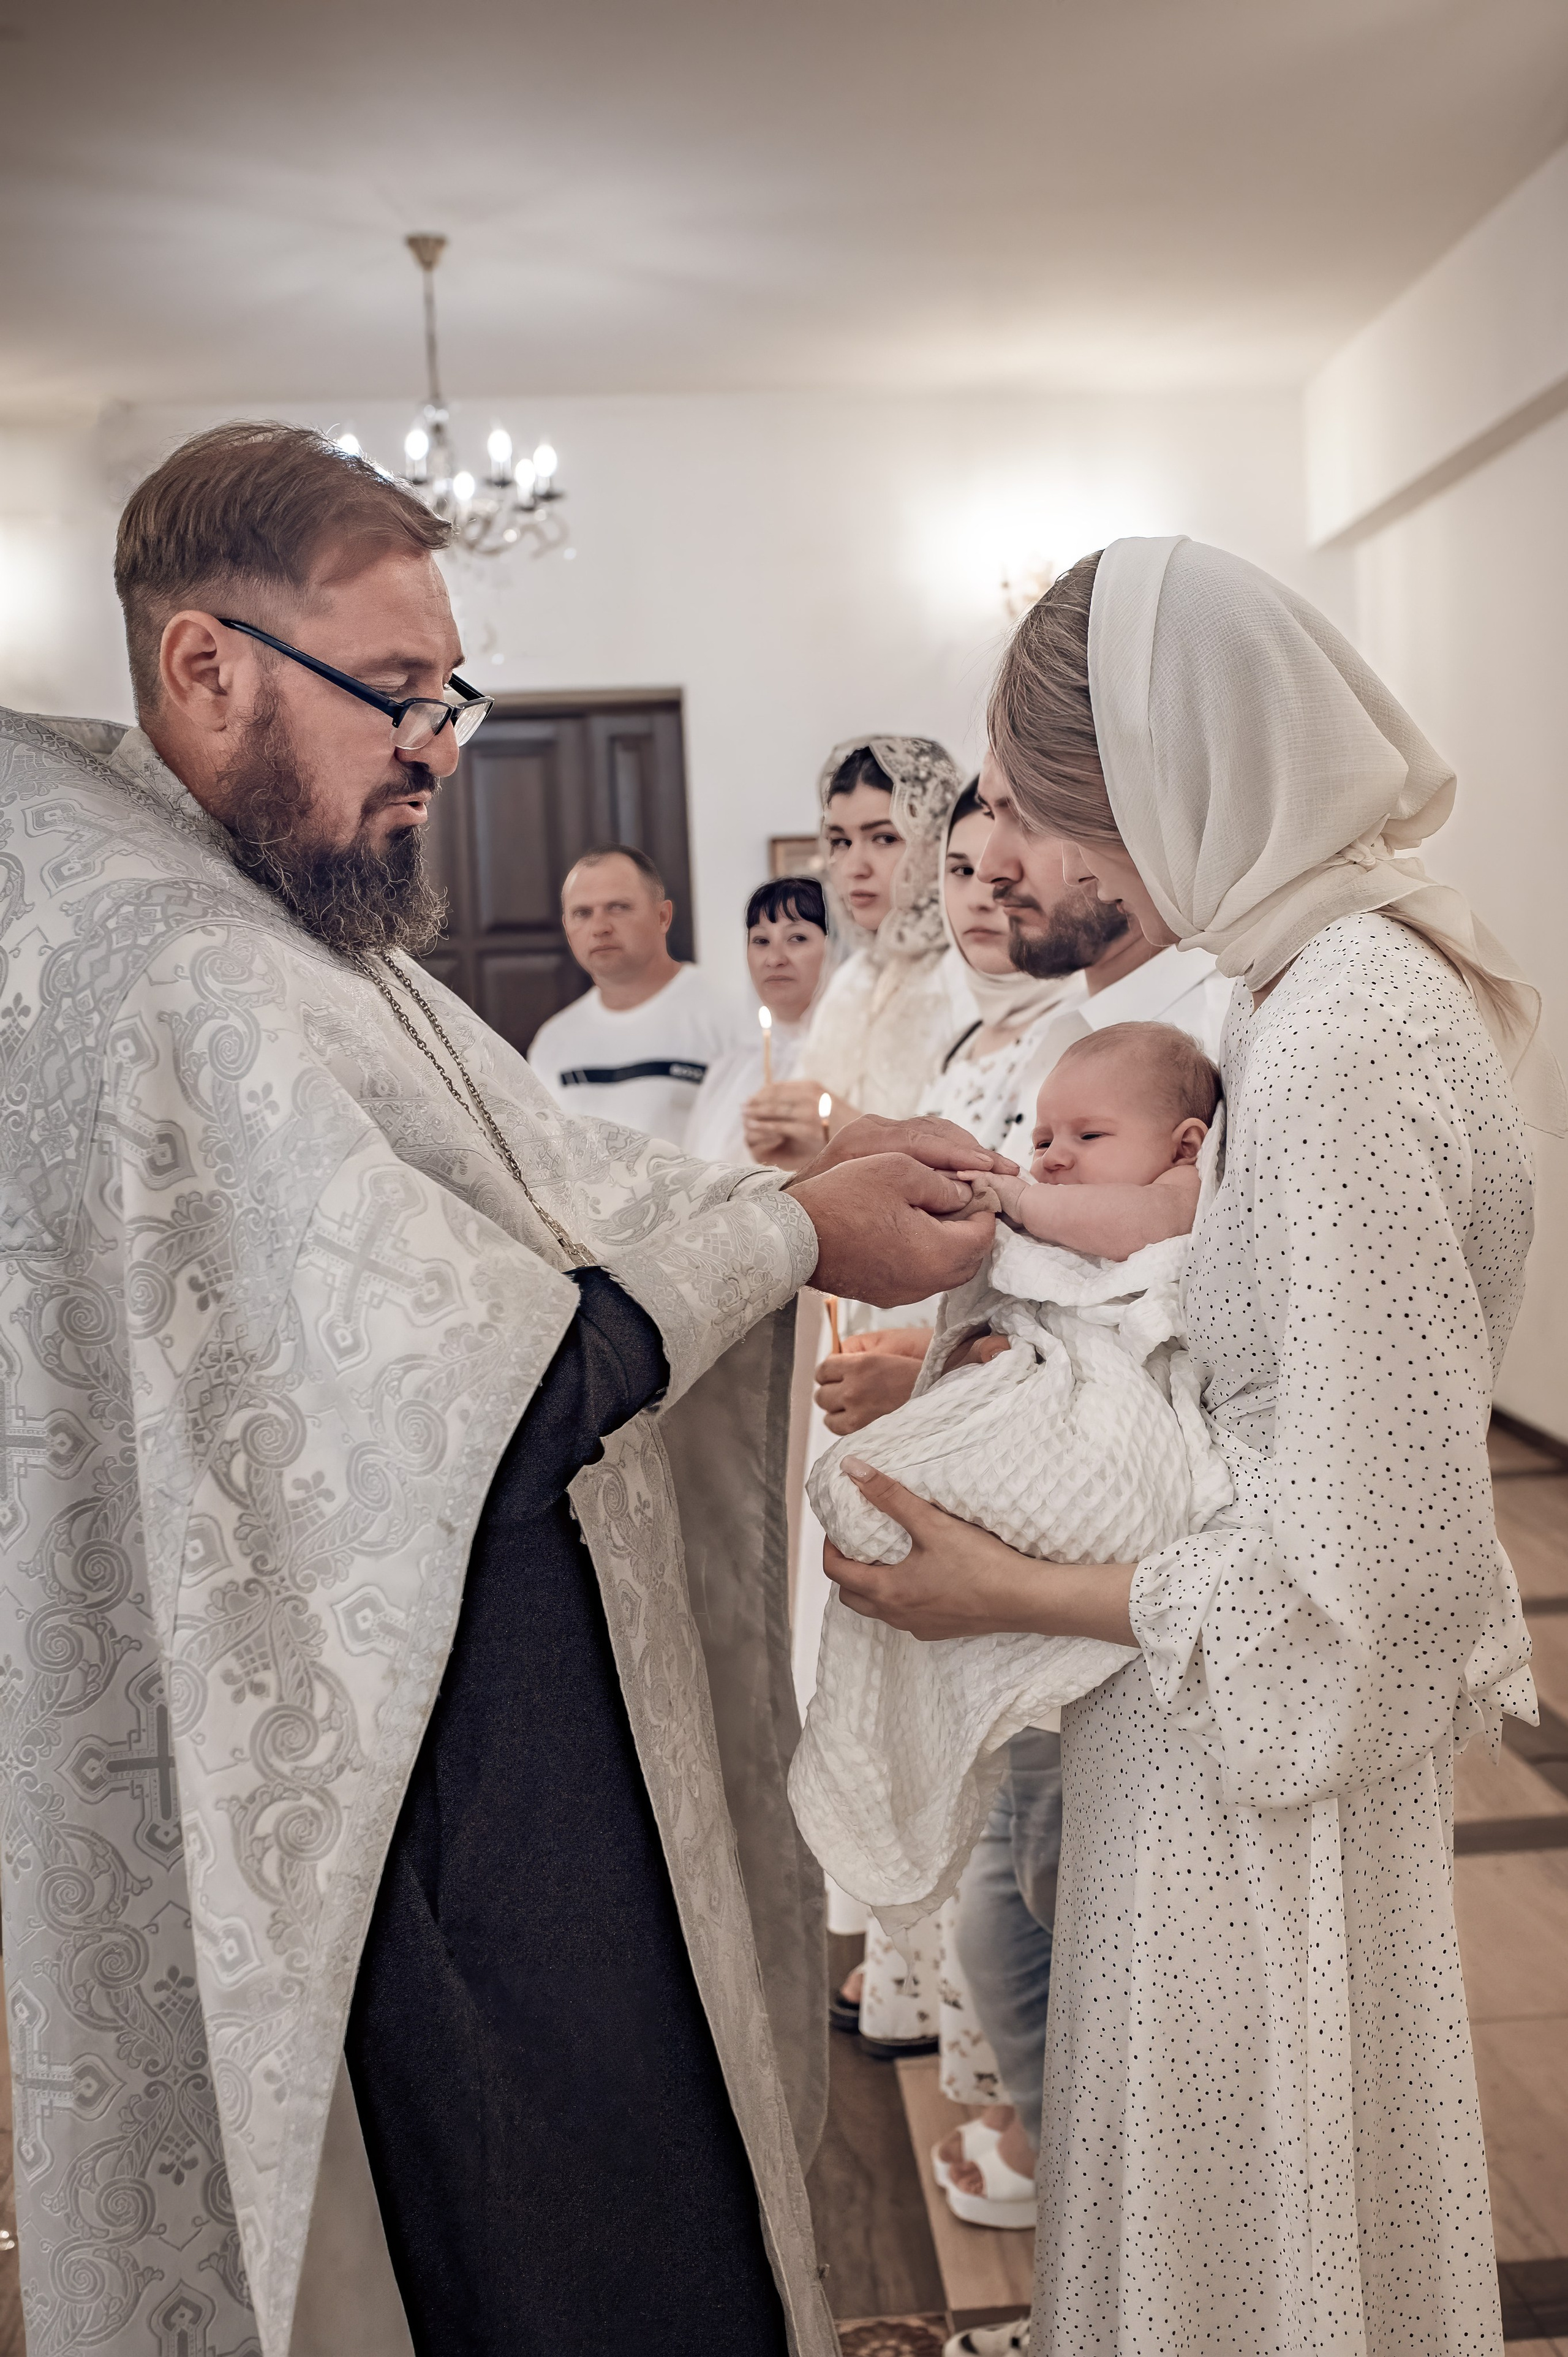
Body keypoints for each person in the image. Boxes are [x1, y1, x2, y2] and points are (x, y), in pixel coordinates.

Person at [0, 422, 1013, 2357]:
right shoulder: (182, 974)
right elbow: (465, 1380)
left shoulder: (277, 927)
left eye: (445, 693)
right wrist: (797, 1236)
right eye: (392, 693)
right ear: (203, 664)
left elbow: (545, 1196)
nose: (434, 745)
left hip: (483, 1714)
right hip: (425, 1780)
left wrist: (786, 1189)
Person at [826, 537, 1562, 2356]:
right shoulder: (1346, 984)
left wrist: (1007, 1584)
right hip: (1207, 1739)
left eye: (1046, 809)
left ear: (1164, 784)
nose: (1026, 859)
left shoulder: (1330, 1042)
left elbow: (1371, 1576)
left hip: (1253, 1798)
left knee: (1243, 2264)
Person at [795, 1021, 1230, 1940]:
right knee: (862, 1484)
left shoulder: (1181, 1192)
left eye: (1087, 1137)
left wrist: (1013, 1197)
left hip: (1120, 1417)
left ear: (1184, 1143)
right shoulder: (1059, 1207)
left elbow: (1119, 1231)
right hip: (1046, 1377)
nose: (1057, 1160)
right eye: (1041, 1139)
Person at [746, 736, 975, 2061]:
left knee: (928, 1642)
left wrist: (829, 1149)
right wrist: (791, 1146)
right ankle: (896, 1952)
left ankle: (955, 1976)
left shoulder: (970, 977)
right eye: (837, 839)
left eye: (884, 836)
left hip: (933, 1328)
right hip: (851, 1322)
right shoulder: (853, 983)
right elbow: (826, 1140)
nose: (855, 865)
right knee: (854, 1642)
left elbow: (950, 1158)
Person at [529, 843, 746, 1147]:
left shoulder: (731, 1017)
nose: (600, 927)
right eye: (582, 913)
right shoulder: (553, 1043)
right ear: (567, 927)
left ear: (663, 917)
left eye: (618, 908)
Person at [684, 874, 831, 1164]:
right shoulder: (729, 1070)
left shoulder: (863, 1061)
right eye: (761, 940)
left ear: (834, 948)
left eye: (797, 938)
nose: (774, 958)